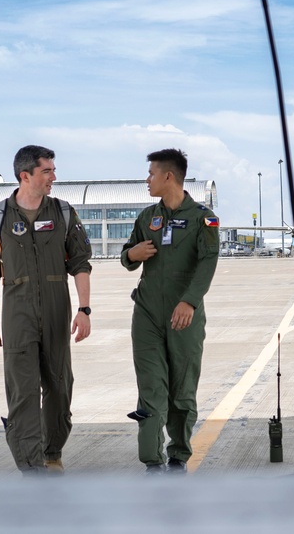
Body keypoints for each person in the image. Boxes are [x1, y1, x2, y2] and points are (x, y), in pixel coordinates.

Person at [0, 145, 92, 474]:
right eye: (47, 171)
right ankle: (30, 464)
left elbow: (81, 264)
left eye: (53, 171)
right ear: (25, 175)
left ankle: (51, 449)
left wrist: (84, 309)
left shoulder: (64, 213)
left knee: (59, 385)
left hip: (57, 312)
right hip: (17, 314)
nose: (53, 177)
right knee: (22, 389)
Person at [121, 149, 220, 474]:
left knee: (182, 389)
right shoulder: (147, 217)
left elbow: (208, 262)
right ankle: (152, 461)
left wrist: (190, 300)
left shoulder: (203, 219)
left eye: (151, 174)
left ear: (168, 176)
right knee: (150, 386)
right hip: (147, 315)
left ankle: (178, 456)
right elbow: (127, 256)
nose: (147, 180)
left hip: (185, 318)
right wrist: (132, 254)